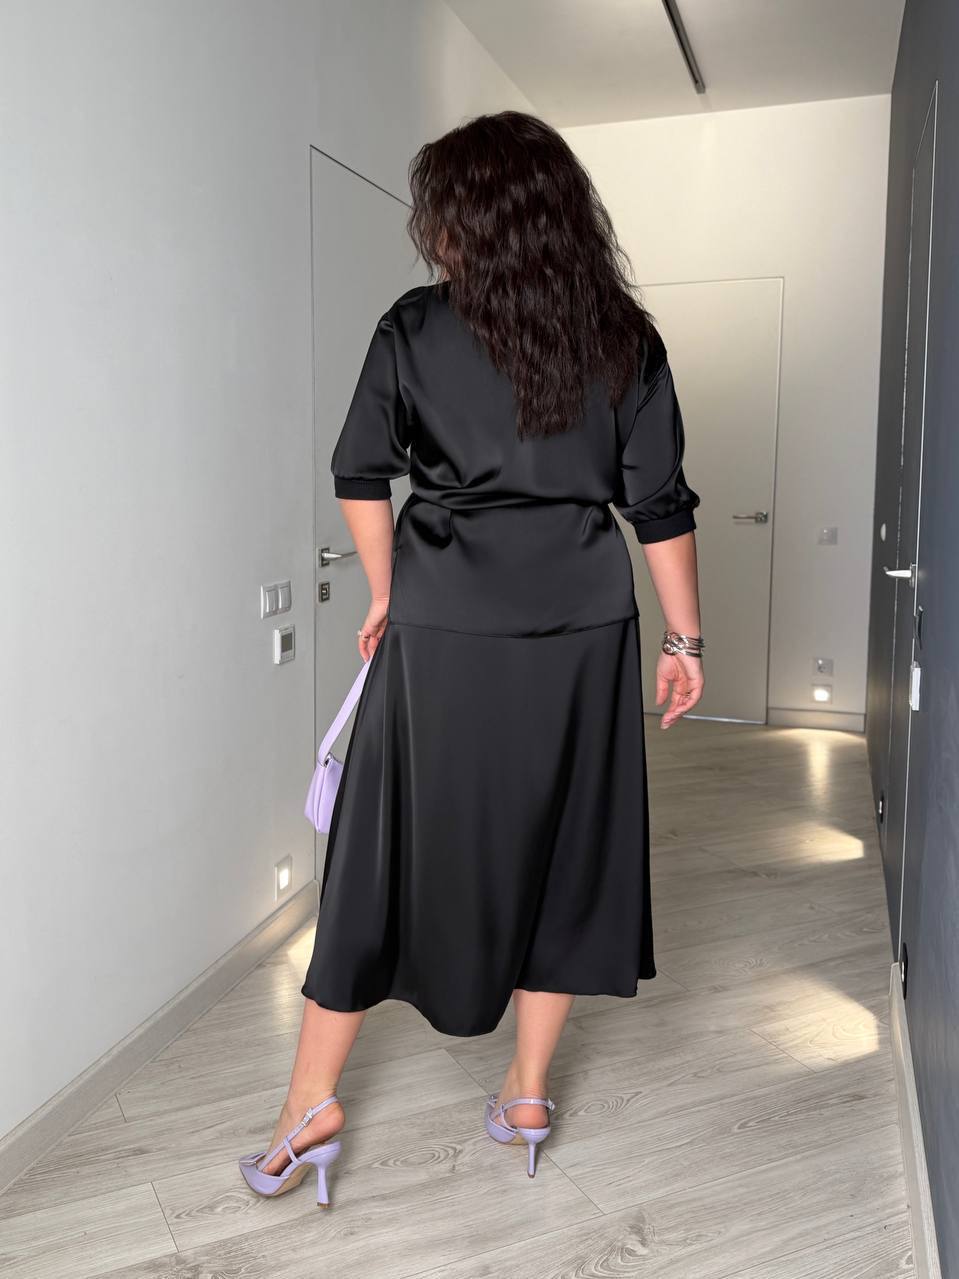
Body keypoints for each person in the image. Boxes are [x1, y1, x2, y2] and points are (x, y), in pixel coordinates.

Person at [238, 109, 704, 1203]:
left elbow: (359, 471)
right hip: (581, 627)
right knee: (565, 844)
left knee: (382, 848)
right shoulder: (623, 340)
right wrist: (684, 638)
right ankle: (527, 1092)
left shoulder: (414, 328)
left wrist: (387, 592)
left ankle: (306, 1109)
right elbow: (658, 504)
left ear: (466, 218)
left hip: (442, 622)